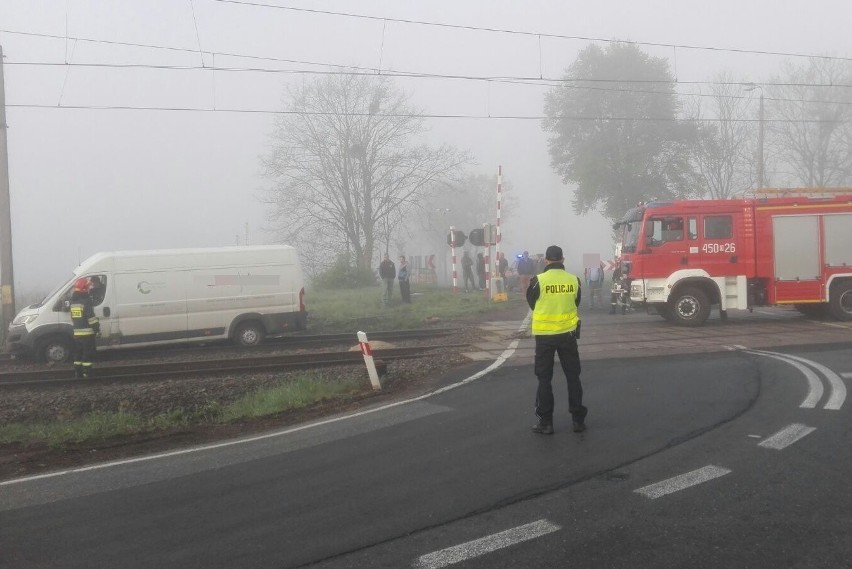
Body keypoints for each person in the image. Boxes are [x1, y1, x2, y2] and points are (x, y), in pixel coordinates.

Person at [526, 245, 587, 435]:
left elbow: (532, 303)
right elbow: (576, 302)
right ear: (563, 259)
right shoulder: (574, 280)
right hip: (568, 335)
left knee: (544, 379)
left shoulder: (538, 281)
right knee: (573, 376)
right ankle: (577, 420)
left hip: (544, 336)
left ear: (546, 260)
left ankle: (546, 422)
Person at [69, 277, 100, 379]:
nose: (88, 289)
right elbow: (91, 318)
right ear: (84, 289)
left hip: (77, 333)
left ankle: (78, 373)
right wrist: (97, 330)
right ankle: (87, 374)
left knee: (78, 353)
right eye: (87, 288)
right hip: (87, 333)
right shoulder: (86, 302)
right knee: (87, 354)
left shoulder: (73, 302)